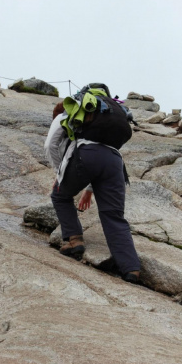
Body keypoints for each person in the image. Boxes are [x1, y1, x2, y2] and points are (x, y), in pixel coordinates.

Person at [44, 93, 140, 283]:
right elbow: (99, 161)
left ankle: (74, 241)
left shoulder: (64, 116)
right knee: (113, 215)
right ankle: (131, 268)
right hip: (114, 161)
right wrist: (89, 189)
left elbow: (50, 145)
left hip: (86, 155)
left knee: (60, 196)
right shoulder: (101, 120)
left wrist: (59, 174)